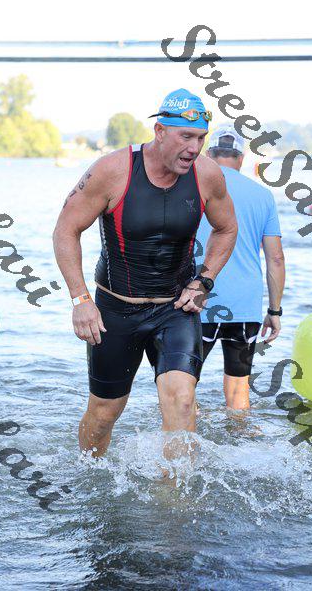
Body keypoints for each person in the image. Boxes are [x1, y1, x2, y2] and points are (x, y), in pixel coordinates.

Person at [53, 89, 238, 460]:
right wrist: (80, 299)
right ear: (160, 131)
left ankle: (172, 492)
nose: (194, 148)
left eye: (201, 138)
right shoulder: (113, 170)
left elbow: (227, 228)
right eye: (186, 137)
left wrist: (203, 281)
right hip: (115, 311)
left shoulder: (207, 174)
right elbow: (65, 230)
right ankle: (88, 475)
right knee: (104, 414)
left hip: (176, 309)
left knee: (182, 401)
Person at [195, 125, 285, 410]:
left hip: (197, 299)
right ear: (242, 158)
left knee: (182, 384)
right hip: (245, 304)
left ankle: (185, 436)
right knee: (238, 388)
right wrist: (274, 311)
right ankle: (239, 434)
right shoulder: (263, 195)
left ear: (208, 155)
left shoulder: (194, 188)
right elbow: (276, 259)